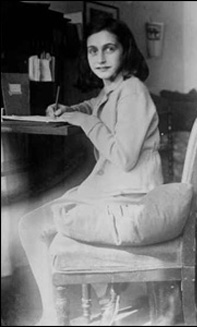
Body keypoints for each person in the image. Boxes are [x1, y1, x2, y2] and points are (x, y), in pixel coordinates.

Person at [19, 17, 164, 326]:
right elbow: (96, 105)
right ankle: (105, 294)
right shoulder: (115, 88)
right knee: (46, 215)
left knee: (31, 226)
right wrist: (72, 110)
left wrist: (83, 121)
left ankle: (54, 315)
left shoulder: (133, 91)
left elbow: (124, 157)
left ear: (125, 51)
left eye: (108, 49)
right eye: (92, 50)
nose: (99, 58)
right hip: (115, 190)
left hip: (131, 199)